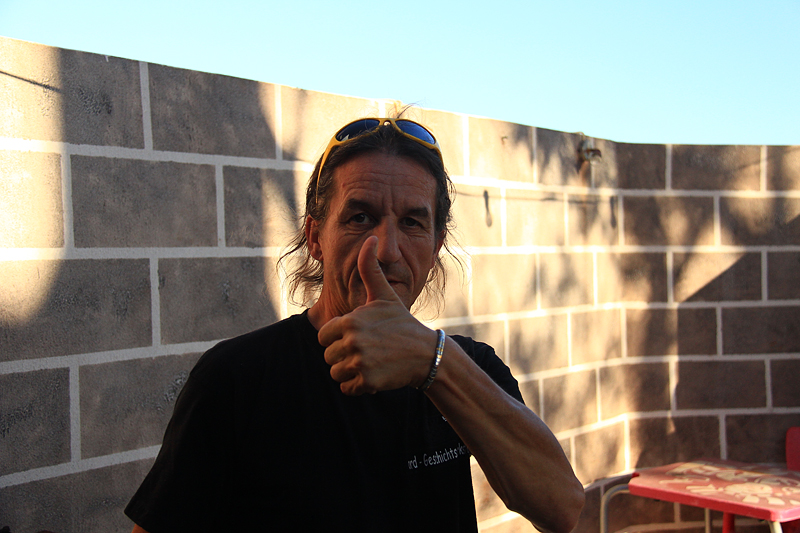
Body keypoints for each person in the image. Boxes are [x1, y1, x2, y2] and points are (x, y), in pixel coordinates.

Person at [126, 117, 584, 532]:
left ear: (436, 246)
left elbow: (563, 509)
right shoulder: (236, 378)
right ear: (315, 238)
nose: (386, 250)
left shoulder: (469, 367)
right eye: (360, 218)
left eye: (412, 223)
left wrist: (435, 364)